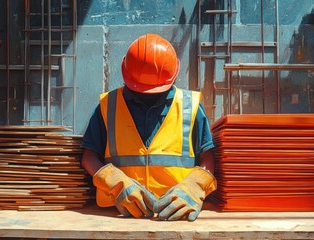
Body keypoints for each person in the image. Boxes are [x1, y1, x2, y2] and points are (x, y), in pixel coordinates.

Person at [81, 33, 217, 221]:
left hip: (176, 216)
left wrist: (195, 186)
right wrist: (116, 184)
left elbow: (207, 157)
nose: (148, 95)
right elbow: (89, 156)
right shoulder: (108, 106)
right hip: (116, 215)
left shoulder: (189, 106)